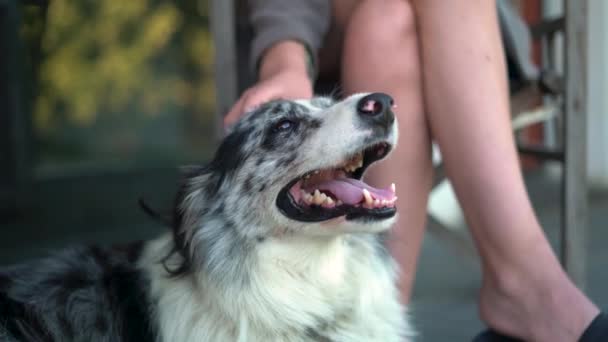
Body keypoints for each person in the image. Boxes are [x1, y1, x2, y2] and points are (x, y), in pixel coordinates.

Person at [224, 1, 603, 340]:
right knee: (387, 14)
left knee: (387, 18)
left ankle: (380, 313)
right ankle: (522, 284)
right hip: (313, 30)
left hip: (457, 33)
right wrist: (286, 58)